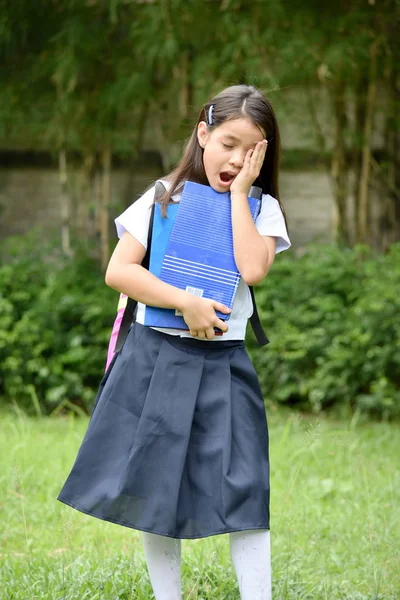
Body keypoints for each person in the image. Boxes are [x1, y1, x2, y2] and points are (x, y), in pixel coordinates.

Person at [58, 84, 291, 599]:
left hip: (226, 362)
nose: (234, 158)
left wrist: (237, 195)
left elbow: (253, 268)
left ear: (263, 155)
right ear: (203, 133)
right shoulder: (162, 197)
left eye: (249, 149)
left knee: (246, 485)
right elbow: (119, 272)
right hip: (156, 356)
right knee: (153, 486)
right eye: (227, 142)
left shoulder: (261, 208)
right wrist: (183, 301)